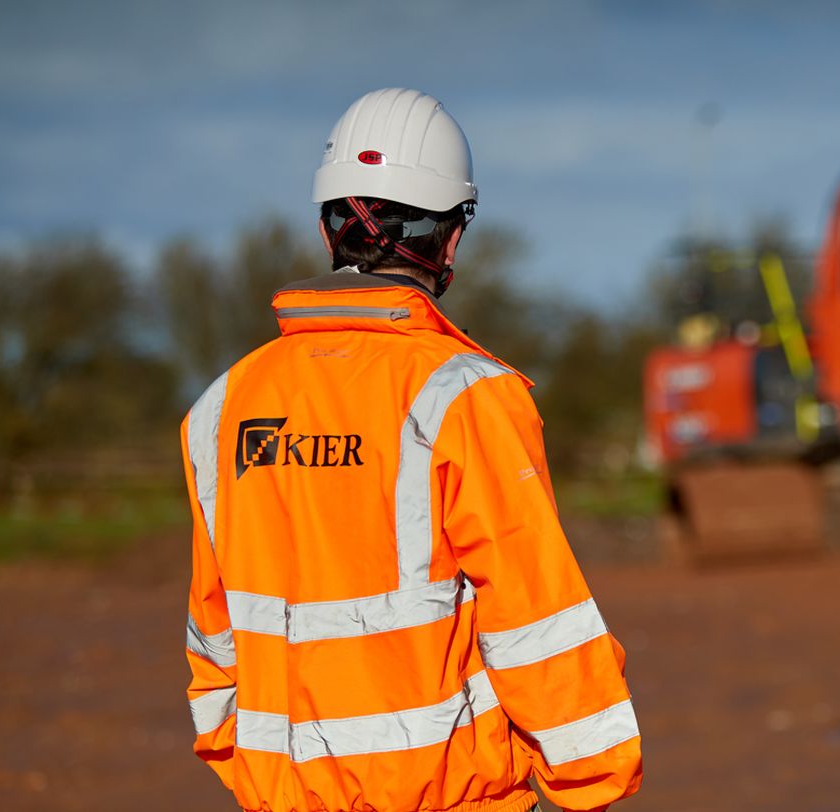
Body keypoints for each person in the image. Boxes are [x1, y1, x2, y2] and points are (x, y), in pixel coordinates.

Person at [180, 87, 642, 812]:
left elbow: (215, 640)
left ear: (331, 227)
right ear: (450, 237)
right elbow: (533, 614)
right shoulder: (467, 396)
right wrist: (593, 775)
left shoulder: (220, 408)